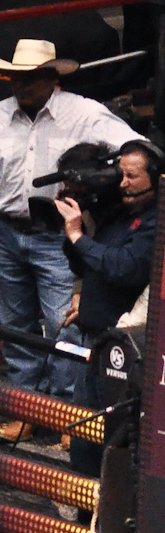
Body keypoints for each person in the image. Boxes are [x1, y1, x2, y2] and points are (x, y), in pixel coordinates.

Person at [0, 39, 133, 396]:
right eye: (15, 77)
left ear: (52, 78)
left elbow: (134, 149)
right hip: (5, 231)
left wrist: (98, 186)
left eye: (32, 77)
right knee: (12, 324)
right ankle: (27, 405)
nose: (21, 85)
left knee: (65, 322)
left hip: (59, 233)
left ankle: (66, 406)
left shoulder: (84, 113)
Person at [57, 140, 156, 472]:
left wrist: (77, 235)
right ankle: (85, 517)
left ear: (155, 178)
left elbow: (123, 268)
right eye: (120, 174)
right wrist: (78, 228)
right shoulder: (117, 215)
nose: (122, 183)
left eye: (131, 176)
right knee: (85, 441)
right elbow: (86, 265)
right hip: (94, 345)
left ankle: (110, 519)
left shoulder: (156, 223)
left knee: (117, 446)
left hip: (126, 355)